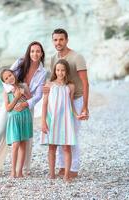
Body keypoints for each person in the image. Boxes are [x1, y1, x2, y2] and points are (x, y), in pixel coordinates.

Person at [0, 41, 47, 176]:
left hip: (27, 106)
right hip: (11, 102)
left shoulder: (43, 72)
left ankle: (24, 169)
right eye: (32, 51)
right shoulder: (20, 62)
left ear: (42, 53)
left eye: (38, 51)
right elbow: (5, 78)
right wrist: (14, 92)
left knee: (26, 138)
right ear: (28, 52)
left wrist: (26, 103)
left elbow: (38, 95)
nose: (35, 54)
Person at [46, 28, 89, 178]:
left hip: (75, 99)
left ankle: (74, 168)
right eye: (55, 40)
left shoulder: (77, 57)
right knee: (59, 134)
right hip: (59, 104)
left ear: (67, 40)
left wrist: (85, 107)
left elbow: (85, 83)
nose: (58, 42)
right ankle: (62, 166)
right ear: (53, 41)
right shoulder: (53, 58)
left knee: (72, 136)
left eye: (61, 39)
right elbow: (54, 80)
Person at [40, 59, 80, 182]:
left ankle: (66, 175)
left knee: (66, 148)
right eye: (58, 70)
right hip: (52, 119)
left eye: (62, 70)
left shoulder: (70, 86)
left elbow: (71, 104)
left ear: (66, 71)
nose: (60, 72)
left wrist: (77, 115)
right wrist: (43, 121)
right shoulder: (49, 84)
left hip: (66, 121)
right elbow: (45, 104)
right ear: (55, 71)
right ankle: (52, 174)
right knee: (52, 147)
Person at [0, 69, 33, 178]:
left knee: (23, 144)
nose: (10, 78)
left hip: (24, 117)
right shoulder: (6, 92)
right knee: (15, 144)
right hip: (14, 118)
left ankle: (20, 171)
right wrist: (17, 97)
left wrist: (25, 93)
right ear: (4, 82)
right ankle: (13, 171)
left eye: (10, 75)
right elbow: (8, 108)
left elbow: (30, 100)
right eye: (6, 78)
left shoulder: (22, 86)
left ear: (14, 74)